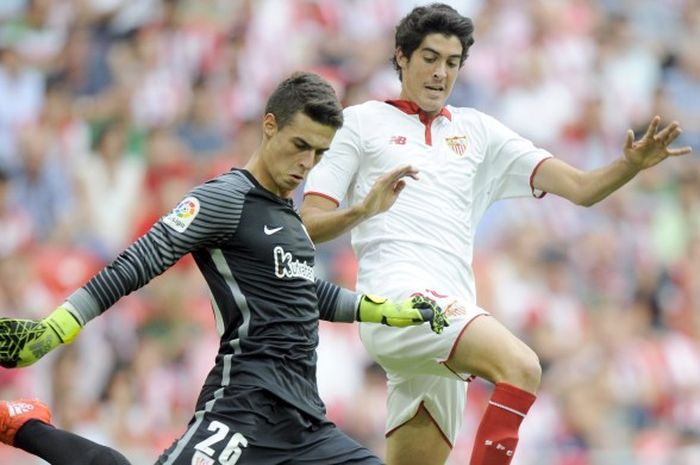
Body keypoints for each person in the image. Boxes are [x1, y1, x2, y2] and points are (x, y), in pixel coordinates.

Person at [300, 4, 693, 465]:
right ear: (401, 57)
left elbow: (581, 190)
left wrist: (628, 166)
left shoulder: (479, 132)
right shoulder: (360, 123)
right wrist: (363, 210)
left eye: (452, 62)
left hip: (450, 317)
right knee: (522, 366)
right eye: (429, 57)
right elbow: (308, 221)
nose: (440, 72)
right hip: (399, 302)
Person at [0, 71, 448, 465]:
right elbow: (139, 260)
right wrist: (53, 329)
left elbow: (305, 292)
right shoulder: (225, 199)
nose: (306, 165)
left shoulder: (288, 215)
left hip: (307, 424)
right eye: (299, 146)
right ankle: (26, 426)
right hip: (243, 409)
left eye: (318, 153)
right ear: (269, 126)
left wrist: (387, 310)